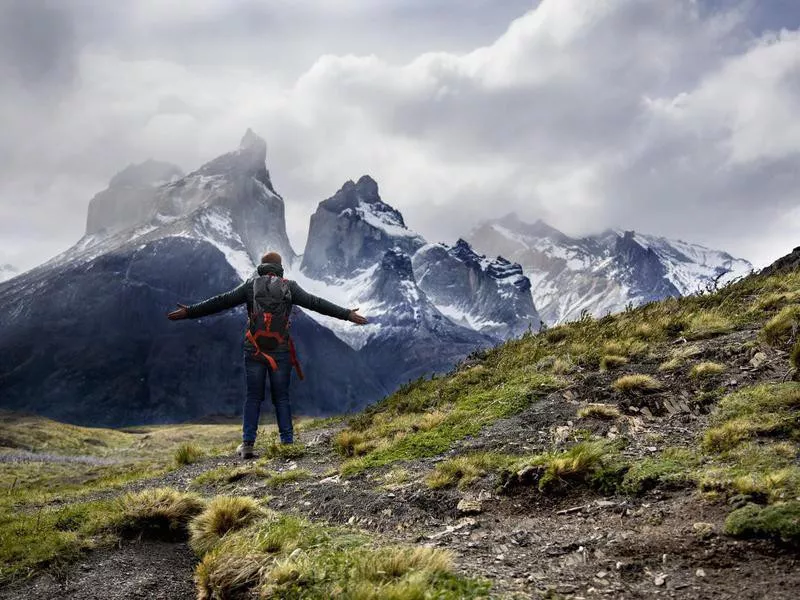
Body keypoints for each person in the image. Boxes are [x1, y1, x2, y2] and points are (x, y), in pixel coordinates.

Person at [167, 251, 367, 458]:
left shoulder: (250, 286)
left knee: (253, 396)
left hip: (253, 349)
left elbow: (221, 301)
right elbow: (315, 303)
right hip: (280, 349)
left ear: (261, 266)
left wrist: (190, 311)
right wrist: (346, 314)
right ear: (280, 268)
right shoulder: (289, 287)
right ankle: (287, 444)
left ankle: (247, 445)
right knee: (281, 397)